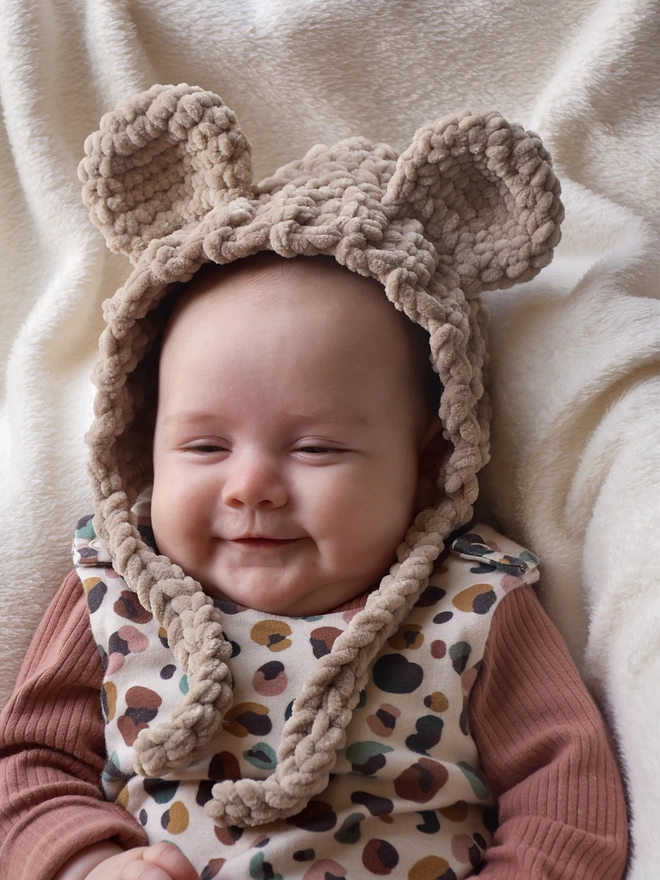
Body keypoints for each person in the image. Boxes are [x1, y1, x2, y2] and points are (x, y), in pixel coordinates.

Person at [0, 84, 628, 880]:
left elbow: (565, 796)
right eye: (203, 446)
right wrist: (85, 865)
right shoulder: (114, 590)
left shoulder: (473, 603)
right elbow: (31, 765)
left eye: (317, 449)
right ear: (140, 443)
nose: (252, 487)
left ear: (431, 460)